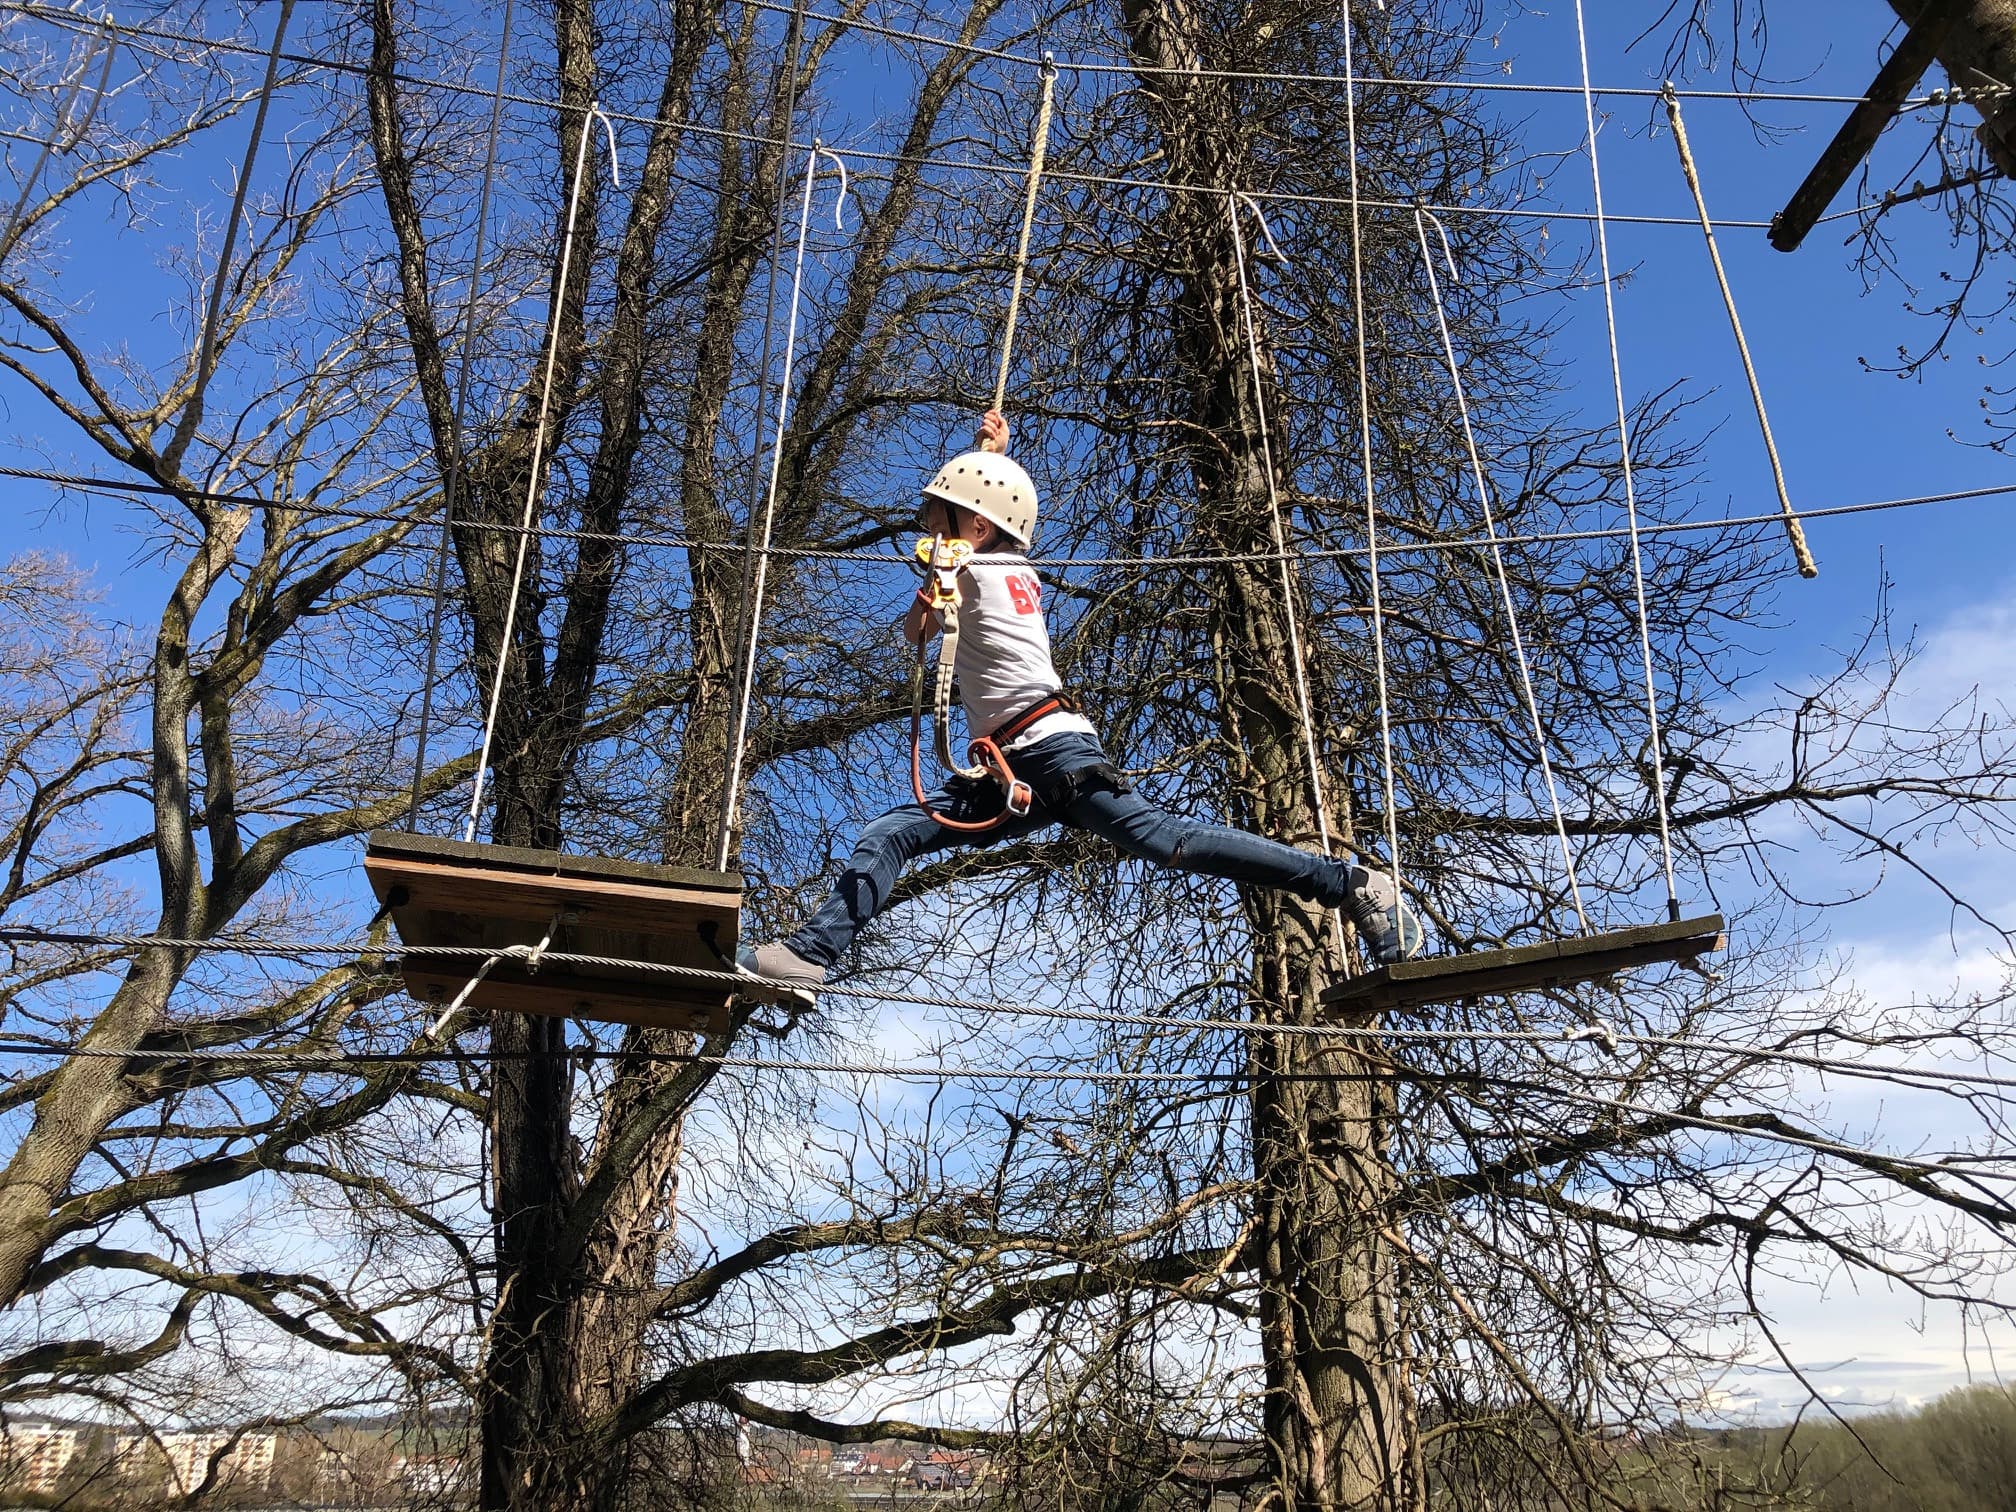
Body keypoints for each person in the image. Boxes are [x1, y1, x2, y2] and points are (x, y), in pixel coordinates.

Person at [739, 410, 1420, 1000]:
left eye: (935, 520)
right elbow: (980, 531)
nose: (925, 532)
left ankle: (1350, 882)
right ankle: (808, 956)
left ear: (971, 529)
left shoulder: (973, 569)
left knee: (1166, 840)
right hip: (1009, 766)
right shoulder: (1002, 564)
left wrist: (939, 575)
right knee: (892, 834)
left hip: (1051, 750)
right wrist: (990, 457)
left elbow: (918, 633)